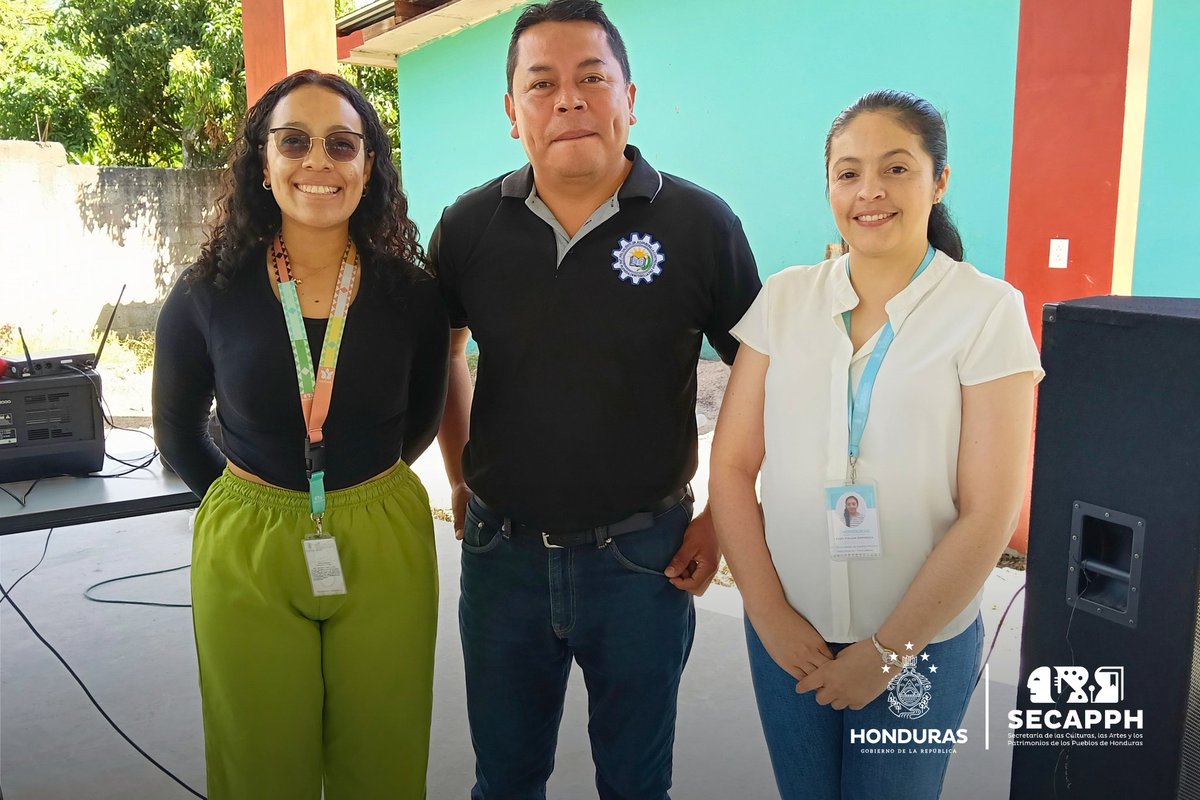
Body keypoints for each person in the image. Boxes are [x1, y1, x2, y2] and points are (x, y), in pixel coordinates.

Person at [429, 1, 761, 797]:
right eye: (541, 84)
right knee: (504, 779)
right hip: (502, 559)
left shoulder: (699, 224)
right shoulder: (470, 227)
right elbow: (446, 356)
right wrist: (461, 475)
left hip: (645, 560)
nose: (568, 99)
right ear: (514, 113)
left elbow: (761, 374)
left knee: (636, 783)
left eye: (591, 77)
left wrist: (722, 515)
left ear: (629, 96)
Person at [709, 89, 1043, 799]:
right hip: (788, 631)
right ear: (829, 183)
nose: (870, 191)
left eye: (896, 168)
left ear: (939, 180)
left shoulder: (987, 312)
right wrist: (769, 615)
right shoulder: (786, 298)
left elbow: (989, 511)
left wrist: (888, 651)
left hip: (921, 644)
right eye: (848, 172)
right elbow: (733, 468)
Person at [152, 70, 448, 800]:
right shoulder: (205, 292)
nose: (318, 161)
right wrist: (249, 501)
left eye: (342, 144)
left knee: (384, 755)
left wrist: (353, 493)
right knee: (258, 762)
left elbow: (420, 421)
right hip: (248, 540)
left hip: (381, 532)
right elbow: (178, 430)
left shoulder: (412, 294)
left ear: (368, 165)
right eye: (295, 141)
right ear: (263, 161)